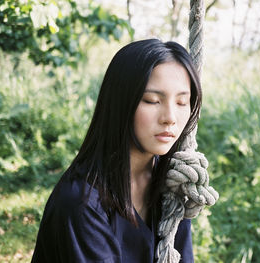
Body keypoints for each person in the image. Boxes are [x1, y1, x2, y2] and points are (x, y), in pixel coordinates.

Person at [31, 39, 201, 263]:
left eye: (181, 102)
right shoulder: (82, 204)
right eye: (152, 101)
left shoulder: (172, 184)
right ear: (121, 102)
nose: (170, 118)